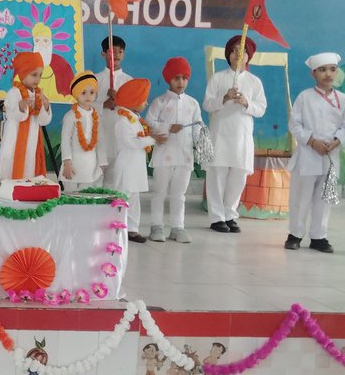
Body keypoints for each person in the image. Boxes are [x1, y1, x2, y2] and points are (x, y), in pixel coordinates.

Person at [286, 52, 345, 253]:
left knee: (324, 198)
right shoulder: (305, 97)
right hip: (308, 154)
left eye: (332, 69)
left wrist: (336, 141)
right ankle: (295, 234)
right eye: (322, 70)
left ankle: (319, 236)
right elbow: (294, 125)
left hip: (330, 156)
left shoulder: (342, 99)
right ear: (314, 73)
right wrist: (312, 141)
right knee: (301, 197)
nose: (328, 74)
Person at [203, 34, 267, 234]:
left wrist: (246, 103)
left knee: (238, 175)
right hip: (220, 132)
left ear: (249, 57)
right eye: (234, 51)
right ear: (228, 55)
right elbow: (207, 104)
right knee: (217, 174)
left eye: (243, 52)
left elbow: (261, 108)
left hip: (242, 135)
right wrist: (223, 98)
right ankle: (216, 217)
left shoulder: (254, 82)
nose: (238, 55)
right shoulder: (218, 78)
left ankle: (230, 214)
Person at [147, 57, 201, 243]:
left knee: (179, 194)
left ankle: (177, 227)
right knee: (159, 192)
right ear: (169, 79)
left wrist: (199, 142)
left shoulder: (193, 104)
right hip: (164, 155)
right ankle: (156, 226)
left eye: (184, 78)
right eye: (176, 78)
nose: (181, 82)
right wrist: (169, 127)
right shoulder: (159, 102)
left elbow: (197, 127)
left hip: (185, 157)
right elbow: (149, 123)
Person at [109, 78, 162, 244]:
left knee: (134, 199)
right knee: (122, 198)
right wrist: (151, 140)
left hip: (135, 167)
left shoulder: (135, 119)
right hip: (126, 166)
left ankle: (132, 229)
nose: (146, 103)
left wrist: (150, 138)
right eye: (143, 100)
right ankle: (117, 228)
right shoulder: (123, 121)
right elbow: (130, 142)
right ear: (134, 101)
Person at [0, 51, 52, 181]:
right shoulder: (14, 92)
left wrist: (46, 106)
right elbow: (12, 115)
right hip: (14, 139)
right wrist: (21, 106)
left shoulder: (38, 94)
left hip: (32, 141)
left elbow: (43, 121)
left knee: (29, 166)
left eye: (40, 75)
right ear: (22, 74)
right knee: (11, 165)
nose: (38, 79)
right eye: (34, 75)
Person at [94, 35, 131, 184]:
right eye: (112, 51)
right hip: (98, 136)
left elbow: (135, 111)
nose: (116, 55)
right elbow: (84, 107)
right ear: (103, 54)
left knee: (115, 181)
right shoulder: (94, 80)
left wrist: (120, 100)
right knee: (95, 179)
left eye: (120, 51)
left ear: (124, 54)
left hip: (120, 140)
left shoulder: (129, 81)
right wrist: (103, 104)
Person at [60, 70, 105, 192]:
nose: (88, 96)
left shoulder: (96, 116)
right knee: (71, 197)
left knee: (87, 196)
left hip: (91, 165)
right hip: (72, 165)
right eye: (83, 92)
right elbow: (65, 140)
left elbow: (100, 141)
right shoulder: (70, 116)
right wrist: (67, 163)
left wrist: (102, 163)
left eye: (91, 92)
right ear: (76, 94)